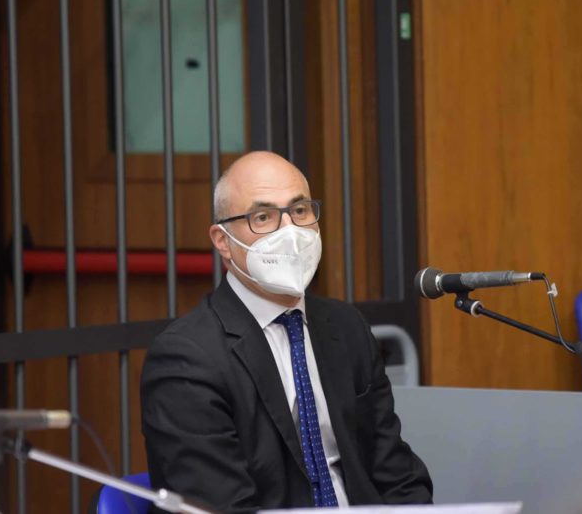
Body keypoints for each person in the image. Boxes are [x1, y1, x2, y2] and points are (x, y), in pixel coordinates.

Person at [141, 151, 432, 511]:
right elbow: (219, 504)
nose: (290, 232)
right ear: (222, 240)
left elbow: (396, 474)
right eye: (263, 217)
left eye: (300, 210)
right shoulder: (187, 358)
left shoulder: (346, 327)